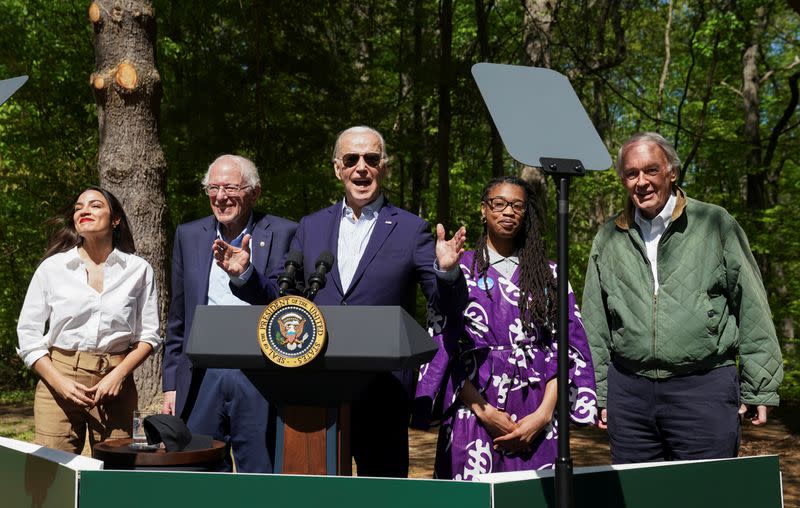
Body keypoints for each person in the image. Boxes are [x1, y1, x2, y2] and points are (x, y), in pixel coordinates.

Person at [215, 125, 462, 477]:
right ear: (337, 168)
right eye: (351, 159)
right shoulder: (311, 226)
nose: (361, 167)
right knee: (317, 491)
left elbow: (443, 303)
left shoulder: (411, 228)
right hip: (316, 382)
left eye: (371, 159)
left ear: (384, 167)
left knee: (383, 493)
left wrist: (447, 272)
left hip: (383, 388)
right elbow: (284, 300)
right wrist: (245, 274)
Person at [582, 132, 784, 464]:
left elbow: (751, 304)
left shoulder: (714, 223)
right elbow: (595, 321)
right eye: (632, 173)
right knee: (638, 496)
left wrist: (760, 385)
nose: (642, 182)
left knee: (705, 494)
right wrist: (599, 392)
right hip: (629, 394)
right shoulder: (609, 237)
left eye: (651, 170)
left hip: (703, 387)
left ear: (672, 172)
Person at [413, 176, 598, 480]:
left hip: (536, 406)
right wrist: (485, 412)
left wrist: (543, 415)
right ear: (483, 209)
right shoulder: (461, 268)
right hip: (472, 407)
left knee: (534, 496)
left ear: (526, 214)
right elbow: (445, 342)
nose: (508, 212)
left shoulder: (550, 274)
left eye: (517, 206)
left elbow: (565, 345)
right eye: (498, 204)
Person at [161, 154, 296, 472]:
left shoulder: (285, 233)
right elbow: (179, 315)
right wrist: (171, 383)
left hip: (260, 374)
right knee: (199, 472)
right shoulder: (189, 235)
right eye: (213, 188)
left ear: (254, 192)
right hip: (200, 374)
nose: (220, 196)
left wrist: (246, 273)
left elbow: (286, 305)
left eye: (231, 187)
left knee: (259, 473)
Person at [17, 187, 161, 454]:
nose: (84, 210)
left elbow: (149, 335)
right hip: (57, 378)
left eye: (95, 205)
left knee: (118, 473)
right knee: (52, 475)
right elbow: (28, 334)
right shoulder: (52, 268)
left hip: (117, 383)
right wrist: (60, 382)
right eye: (78, 207)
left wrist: (118, 375)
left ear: (115, 219)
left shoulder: (139, 269)